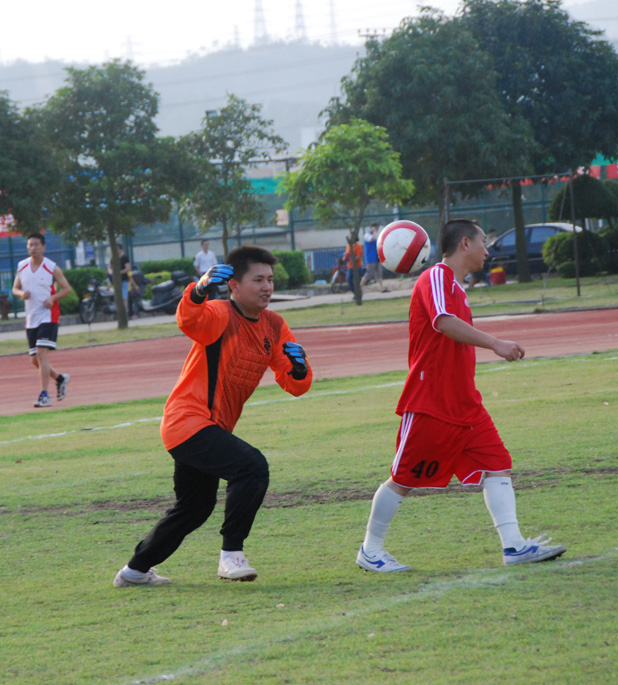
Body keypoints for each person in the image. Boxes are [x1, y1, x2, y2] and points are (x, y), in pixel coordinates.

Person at [356, 218, 565, 573]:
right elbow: (443, 321)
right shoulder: (435, 277)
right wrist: (495, 343)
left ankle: (514, 546)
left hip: (466, 403)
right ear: (465, 243)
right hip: (431, 402)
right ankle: (370, 550)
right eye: (484, 242)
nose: (488, 250)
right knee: (403, 479)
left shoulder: (456, 286)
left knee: (497, 464)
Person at [113, 245, 313, 587]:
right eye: (258, 280)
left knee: (195, 508)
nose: (267, 287)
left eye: (270, 280)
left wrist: (299, 368)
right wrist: (199, 289)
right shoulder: (220, 313)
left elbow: (294, 384)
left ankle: (134, 571)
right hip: (187, 420)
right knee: (251, 466)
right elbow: (189, 319)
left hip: (209, 428)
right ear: (234, 285)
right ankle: (231, 555)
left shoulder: (275, 325)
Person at [12, 232, 73, 408]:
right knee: (34, 360)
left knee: (41, 353)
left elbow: (66, 288)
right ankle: (60, 378)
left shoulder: (51, 267)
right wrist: (21, 293)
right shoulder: (22, 266)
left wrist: (53, 298)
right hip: (31, 317)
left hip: (48, 315)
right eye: (30, 245)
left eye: (36, 245)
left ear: (43, 247)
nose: (33, 248)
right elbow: (15, 288)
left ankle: (44, 395)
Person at [360, 224, 388, 292]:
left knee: (379, 273)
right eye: (375, 228)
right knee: (369, 274)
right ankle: (359, 287)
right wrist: (375, 231)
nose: (376, 230)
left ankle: (382, 288)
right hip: (370, 258)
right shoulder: (367, 235)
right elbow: (373, 238)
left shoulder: (376, 236)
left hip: (376, 257)